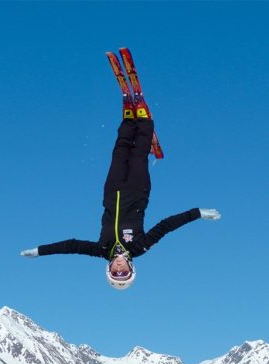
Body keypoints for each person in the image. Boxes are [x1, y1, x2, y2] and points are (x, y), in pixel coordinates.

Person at [21, 95, 221, 289]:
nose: (119, 268)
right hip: (137, 188)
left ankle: (127, 120)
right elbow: (166, 226)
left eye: (115, 273)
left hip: (112, 189)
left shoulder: (101, 249)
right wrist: (197, 213)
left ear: (108, 268)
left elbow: (70, 246)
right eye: (123, 272)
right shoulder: (139, 247)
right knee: (138, 155)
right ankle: (143, 122)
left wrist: (40, 251)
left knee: (120, 151)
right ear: (130, 267)